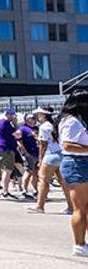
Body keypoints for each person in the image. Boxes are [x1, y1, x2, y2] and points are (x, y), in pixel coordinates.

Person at [57, 91, 88, 256]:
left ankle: (83, 243)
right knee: (80, 208)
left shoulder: (77, 120)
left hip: (81, 163)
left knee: (85, 207)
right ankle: (79, 244)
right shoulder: (71, 121)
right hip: (77, 164)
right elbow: (68, 145)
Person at [28, 108, 72, 215]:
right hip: (61, 153)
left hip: (50, 154)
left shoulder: (44, 127)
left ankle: (40, 205)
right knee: (63, 182)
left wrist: (40, 159)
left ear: (43, 115)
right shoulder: (55, 125)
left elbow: (43, 145)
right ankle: (71, 206)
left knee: (43, 180)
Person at [0, 109, 20, 199]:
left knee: (6, 170)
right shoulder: (6, 123)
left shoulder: (1, 123)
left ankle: (5, 190)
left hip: (4, 148)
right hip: (7, 149)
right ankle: (5, 191)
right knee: (7, 170)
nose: (14, 117)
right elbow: (17, 134)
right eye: (12, 116)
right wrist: (16, 124)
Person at [18, 114, 40, 198]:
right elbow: (19, 142)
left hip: (37, 153)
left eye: (34, 118)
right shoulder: (22, 129)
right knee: (28, 171)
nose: (32, 120)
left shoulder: (36, 128)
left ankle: (36, 190)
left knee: (35, 173)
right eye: (30, 118)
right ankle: (24, 190)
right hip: (29, 153)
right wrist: (25, 152)